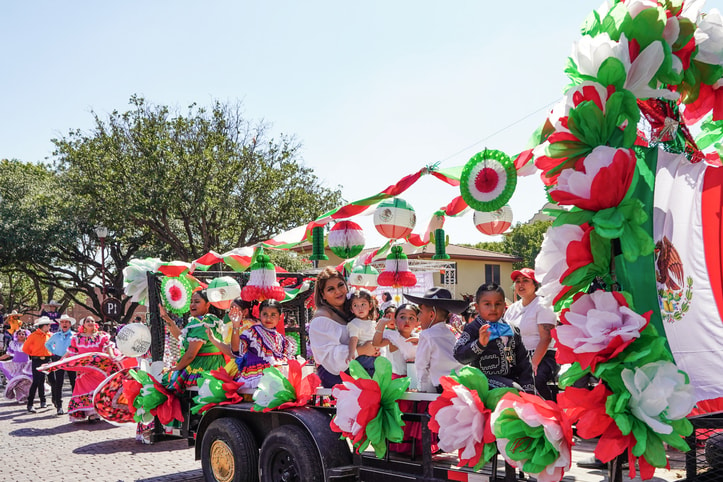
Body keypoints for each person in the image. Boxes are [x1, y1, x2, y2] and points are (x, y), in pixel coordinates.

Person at [454, 283, 535, 393]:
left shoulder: (512, 329)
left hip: (513, 380)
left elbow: (524, 361)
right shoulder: (473, 328)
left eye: (498, 304)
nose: (493, 308)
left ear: (504, 305)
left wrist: (528, 387)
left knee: (537, 402)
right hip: (484, 381)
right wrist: (479, 344)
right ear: (477, 307)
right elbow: (459, 355)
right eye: (487, 304)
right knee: (514, 392)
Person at [308, 267, 379, 388]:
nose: (338, 291)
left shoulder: (354, 310)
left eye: (341, 285)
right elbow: (328, 356)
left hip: (361, 367)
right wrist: (362, 350)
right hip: (335, 375)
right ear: (323, 295)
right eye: (331, 289)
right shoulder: (321, 320)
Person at [208, 299, 295, 389]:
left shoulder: (281, 339)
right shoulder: (253, 332)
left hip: (276, 380)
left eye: (273, 315)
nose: (269, 318)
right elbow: (236, 350)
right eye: (265, 314)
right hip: (257, 380)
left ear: (280, 317)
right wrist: (236, 326)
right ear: (260, 315)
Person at [158, 288, 227, 392]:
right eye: (191, 302)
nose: (192, 305)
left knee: (166, 383)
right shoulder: (210, 320)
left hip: (204, 366)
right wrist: (167, 318)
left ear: (207, 305)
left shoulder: (201, 322)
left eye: (197, 302)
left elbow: (190, 354)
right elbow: (181, 338)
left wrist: (176, 368)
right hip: (217, 364)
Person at [505, 268, 559, 400]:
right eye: (517, 281)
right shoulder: (512, 309)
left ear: (535, 284)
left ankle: (549, 414)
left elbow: (546, 338)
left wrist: (533, 363)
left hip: (543, 356)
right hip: (517, 356)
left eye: (525, 281)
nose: (520, 284)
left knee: (534, 379)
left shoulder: (543, 305)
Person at [406, 288, 466, 393]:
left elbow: (421, 366)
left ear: (431, 315)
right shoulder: (449, 333)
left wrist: (423, 390)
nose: (418, 316)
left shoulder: (426, 335)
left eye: (420, 311)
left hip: (440, 387)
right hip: (458, 384)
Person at [63, 316, 121, 422]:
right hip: (84, 371)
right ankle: (92, 413)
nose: (90, 322)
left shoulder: (101, 336)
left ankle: (98, 412)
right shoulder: (77, 338)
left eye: (92, 321)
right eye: (87, 321)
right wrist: (61, 361)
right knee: (87, 390)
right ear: (83, 324)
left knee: (98, 390)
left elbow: (108, 347)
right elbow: (71, 351)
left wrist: (112, 356)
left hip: (99, 370)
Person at [372, 303, 419, 377]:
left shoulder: (419, 337)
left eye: (411, 318)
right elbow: (376, 343)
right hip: (399, 381)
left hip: (417, 379)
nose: (407, 321)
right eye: (402, 317)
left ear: (417, 322)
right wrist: (382, 324)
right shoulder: (393, 337)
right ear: (395, 320)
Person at [45, 314, 77, 415]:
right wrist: (54, 352)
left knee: (74, 382)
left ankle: (75, 405)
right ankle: (59, 406)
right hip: (59, 359)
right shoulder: (56, 335)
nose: (64, 324)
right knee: (59, 383)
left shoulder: (75, 335)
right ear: (60, 324)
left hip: (71, 360)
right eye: (62, 322)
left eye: (66, 322)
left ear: (70, 324)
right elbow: (47, 344)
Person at [22, 316, 54, 413]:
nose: (49, 327)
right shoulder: (33, 335)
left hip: (48, 359)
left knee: (52, 380)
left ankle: (47, 400)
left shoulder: (50, 335)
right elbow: (25, 348)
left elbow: (54, 346)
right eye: (48, 325)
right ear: (43, 326)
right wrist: (34, 354)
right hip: (37, 360)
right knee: (36, 381)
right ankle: (30, 404)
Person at [345, 288, 379, 374]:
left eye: (363, 304)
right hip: (364, 357)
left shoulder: (372, 322)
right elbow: (353, 339)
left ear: (370, 306)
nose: (360, 308)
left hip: (374, 355)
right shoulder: (354, 323)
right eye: (355, 305)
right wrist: (351, 353)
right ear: (352, 309)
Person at [0, 329, 32, 403]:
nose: (21, 335)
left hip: (26, 365)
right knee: (17, 381)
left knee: (26, 381)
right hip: (16, 365)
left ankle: (26, 395)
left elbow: (33, 353)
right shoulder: (13, 344)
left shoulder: (28, 343)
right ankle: (19, 397)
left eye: (23, 334)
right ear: (16, 335)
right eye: (19, 334)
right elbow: (8, 354)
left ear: (26, 335)